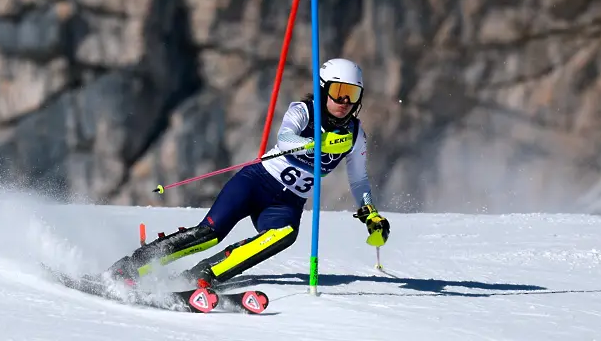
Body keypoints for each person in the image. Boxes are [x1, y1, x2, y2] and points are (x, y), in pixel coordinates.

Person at [106, 57, 390, 290]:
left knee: (285, 234)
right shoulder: (304, 111)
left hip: (287, 202)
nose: (344, 102)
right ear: (323, 89)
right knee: (210, 233)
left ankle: (204, 275)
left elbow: (359, 179)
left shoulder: (355, 135)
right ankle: (132, 266)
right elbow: (285, 139)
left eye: (352, 95)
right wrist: (315, 142)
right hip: (257, 182)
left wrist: (370, 212)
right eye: (339, 92)